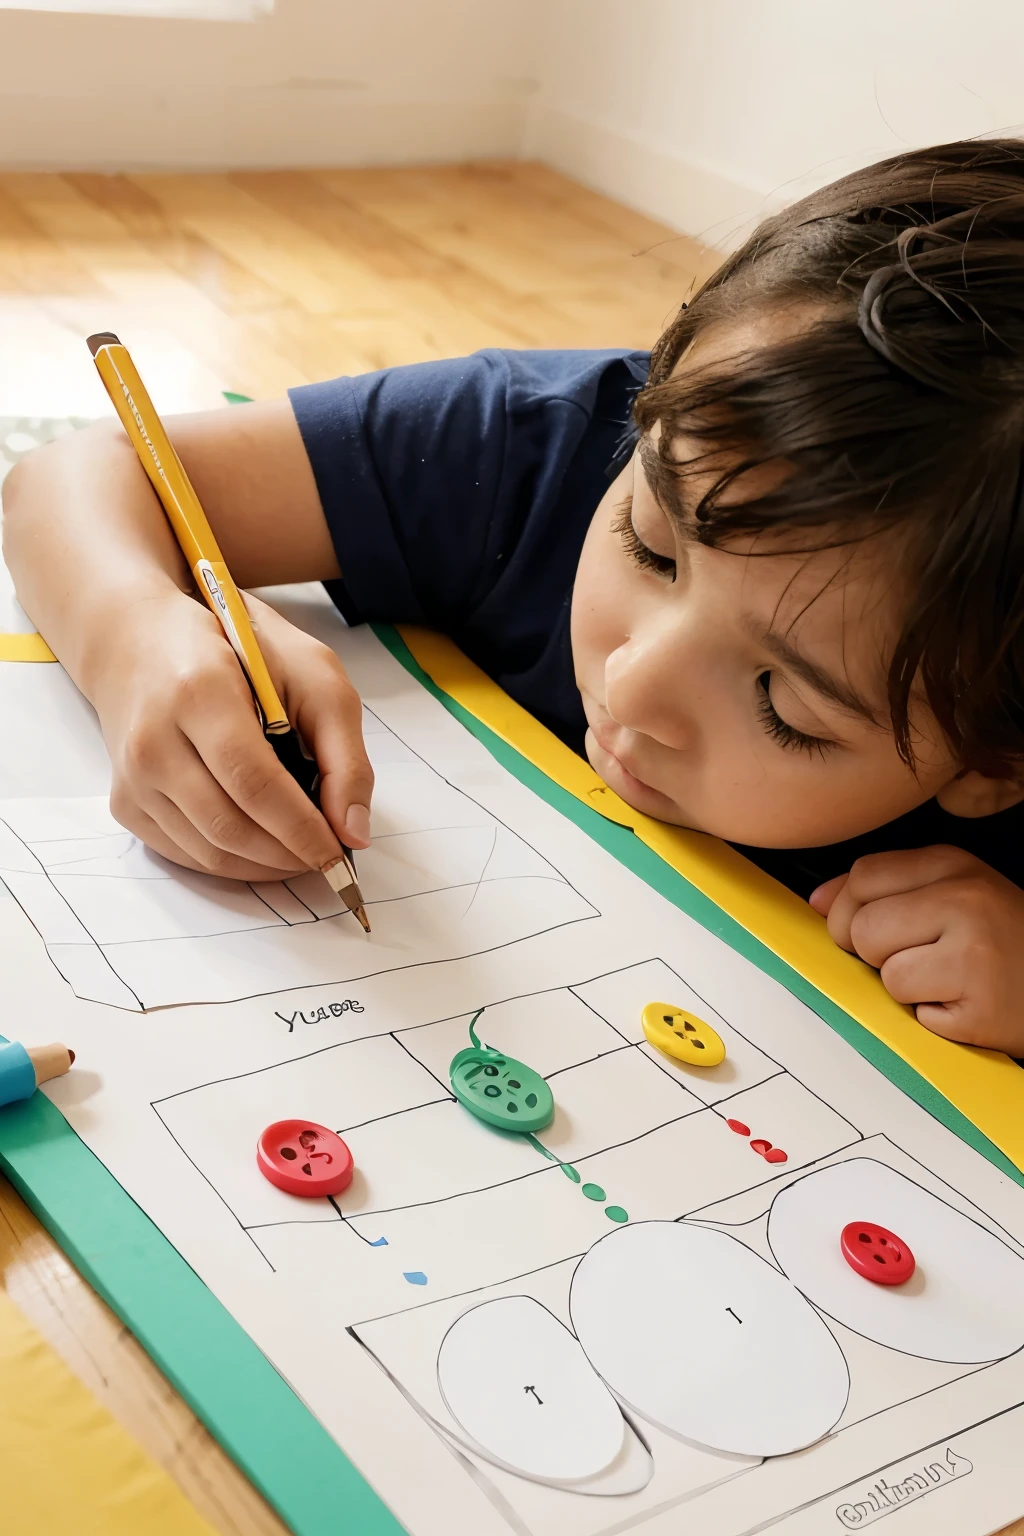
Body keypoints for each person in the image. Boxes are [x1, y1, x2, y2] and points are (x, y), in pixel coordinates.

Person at [5, 138, 1024, 1055]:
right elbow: (82, 473)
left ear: (991, 759)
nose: (632, 682)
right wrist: (134, 632)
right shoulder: (540, 450)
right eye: (652, 547)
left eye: (784, 706)